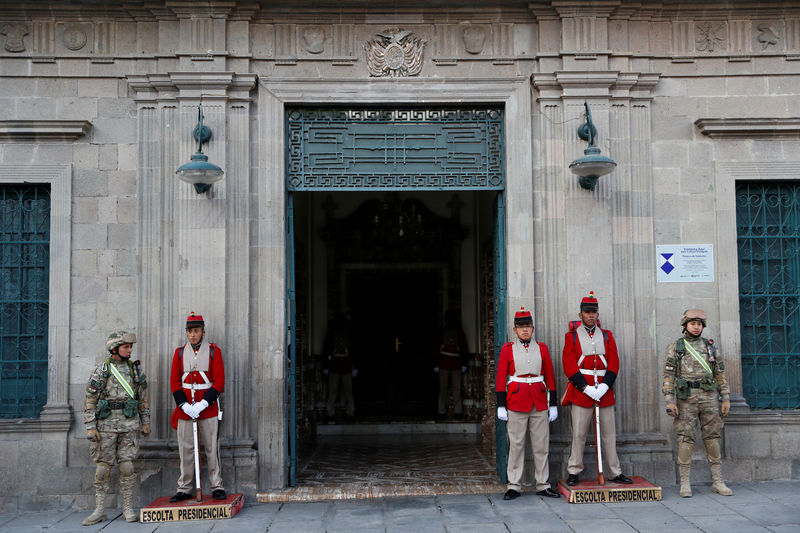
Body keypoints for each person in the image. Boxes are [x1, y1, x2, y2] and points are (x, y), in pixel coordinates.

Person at [562, 292, 633, 486]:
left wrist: (605, 385)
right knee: (578, 433)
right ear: (581, 314)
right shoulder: (573, 337)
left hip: (604, 391)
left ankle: (614, 471)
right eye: (587, 312)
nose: (591, 315)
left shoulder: (607, 336)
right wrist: (584, 387)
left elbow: (614, 362)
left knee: (609, 433)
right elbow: (569, 364)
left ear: (597, 314)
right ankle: (574, 470)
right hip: (582, 392)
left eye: (594, 312)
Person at [662, 309, 733, 498]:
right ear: (685, 325)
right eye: (693, 323)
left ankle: (718, 481)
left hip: (709, 397)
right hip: (686, 399)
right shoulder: (676, 347)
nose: (696, 327)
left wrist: (725, 398)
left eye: (699, 324)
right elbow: (669, 376)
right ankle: (685, 482)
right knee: (686, 438)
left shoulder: (710, 347)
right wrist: (670, 400)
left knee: (713, 438)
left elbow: (720, 374)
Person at [83, 331, 150, 525]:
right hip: (105, 425)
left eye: (130, 347)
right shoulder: (102, 370)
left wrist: (145, 422)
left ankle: (127, 508)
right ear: (115, 349)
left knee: (127, 466)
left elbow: (143, 399)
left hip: (129, 424)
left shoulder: (135, 371)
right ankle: (99, 509)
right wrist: (90, 425)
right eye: (126, 347)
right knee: (103, 467)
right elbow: (90, 399)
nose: (130, 350)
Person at [496, 308, 560, 500]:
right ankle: (514, 485)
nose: (525, 330)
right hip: (516, 401)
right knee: (516, 445)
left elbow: (550, 375)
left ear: (532, 328)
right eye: (521, 327)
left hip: (539, 401)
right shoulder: (508, 349)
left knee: (541, 445)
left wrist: (553, 403)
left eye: (527, 326)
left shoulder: (542, 348)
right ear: (515, 330)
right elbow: (500, 378)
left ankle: (543, 484)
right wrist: (500, 404)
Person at [169, 312, 226, 502]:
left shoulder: (213, 351)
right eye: (190, 331)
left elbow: (219, 382)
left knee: (211, 447)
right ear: (186, 332)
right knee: (185, 448)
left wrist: (203, 403)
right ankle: (184, 487)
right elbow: (175, 382)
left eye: (196, 331)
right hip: (186, 408)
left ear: (203, 331)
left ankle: (216, 485)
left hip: (207, 407)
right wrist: (184, 405)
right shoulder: (179, 353)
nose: (193, 334)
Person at [434, 309, 469, 419]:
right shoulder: (444, 331)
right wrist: (436, 364)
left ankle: (455, 412)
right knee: (446, 388)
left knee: (454, 388)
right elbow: (436, 347)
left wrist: (464, 363)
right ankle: (443, 411)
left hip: (453, 364)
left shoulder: (458, 332)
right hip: (447, 364)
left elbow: (463, 347)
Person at [323, 313, 356, 419]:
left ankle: (350, 412)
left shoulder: (349, 333)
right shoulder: (332, 333)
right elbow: (327, 348)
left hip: (344, 365)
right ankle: (330, 412)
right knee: (333, 391)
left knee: (347, 391)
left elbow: (354, 349)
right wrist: (326, 365)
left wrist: (354, 365)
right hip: (335, 365)